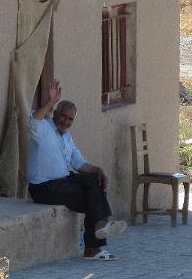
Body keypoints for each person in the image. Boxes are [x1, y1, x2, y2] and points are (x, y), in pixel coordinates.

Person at [26, 79, 127, 260]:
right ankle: (95, 244)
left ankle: (98, 231)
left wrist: (98, 170)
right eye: (63, 116)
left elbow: (80, 163)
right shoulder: (43, 129)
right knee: (92, 198)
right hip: (43, 187)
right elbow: (34, 119)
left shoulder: (67, 137)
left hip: (63, 181)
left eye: (70, 119)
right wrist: (50, 102)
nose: (66, 121)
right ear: (55, 113)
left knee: (94, 181)